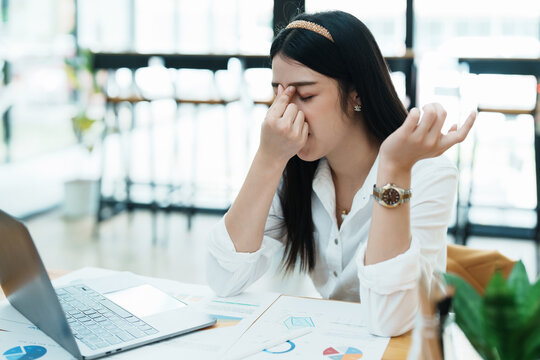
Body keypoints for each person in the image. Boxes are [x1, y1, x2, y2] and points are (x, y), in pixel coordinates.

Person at [206, 10, 475, 337]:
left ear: (356, 93)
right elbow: (224, 279)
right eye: (278, 93)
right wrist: (267, 158)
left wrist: (392, 169)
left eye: (305, 95)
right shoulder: (292, 165)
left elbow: (389, 320)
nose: (286, 112)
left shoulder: (427, 173)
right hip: (335, 341)